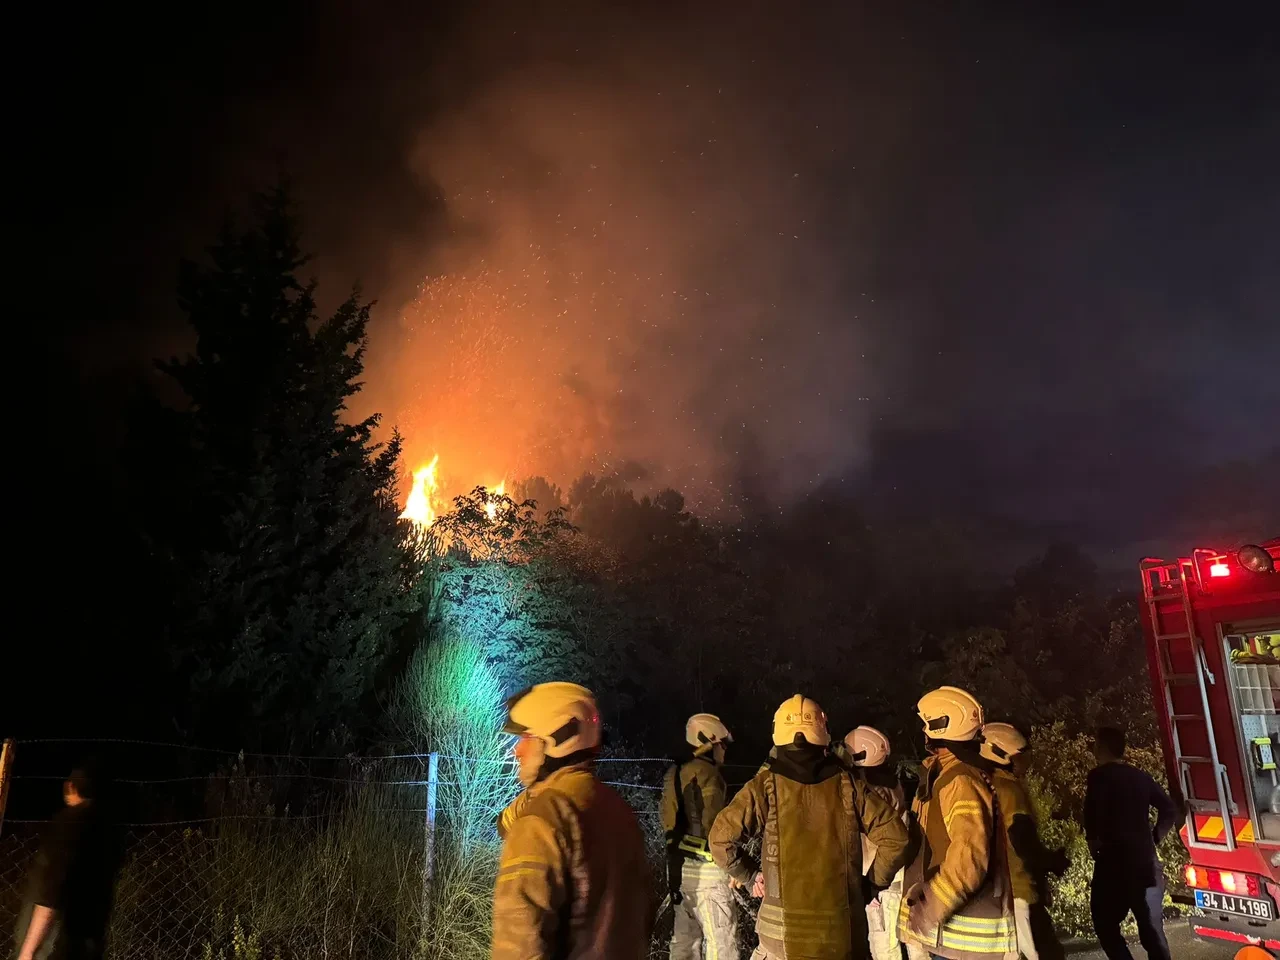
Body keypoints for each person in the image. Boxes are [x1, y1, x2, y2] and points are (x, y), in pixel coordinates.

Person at [709, 694, 911, 959]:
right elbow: (896, 838)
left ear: (778, 733)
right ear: (822, 733)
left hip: (779, 942)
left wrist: (750, 875)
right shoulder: (849, 786)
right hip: (842, 938)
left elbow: (720, 840)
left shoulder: (764, 787)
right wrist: (870, 885)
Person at [491, 682, 654, 960]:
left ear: (556, 739)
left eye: (525, 738)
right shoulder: (618, 811)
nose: (517, 751)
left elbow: (519, 946)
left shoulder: (542, 820)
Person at [899, 686, 1018, 960]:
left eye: (926, 723)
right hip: (951, 937)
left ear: (940, 726)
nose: (923, 731)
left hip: (965, 939)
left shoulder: (960, 781)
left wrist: (932, 906)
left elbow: (969, 857)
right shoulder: (948, 775)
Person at [1083, 726, 1177, 960]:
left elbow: (1092, 817)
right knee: (1152, 931)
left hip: (1113, 865)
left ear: (1101, 748)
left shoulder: (1098, 777)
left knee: (1105, 924)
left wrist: (1094, 842)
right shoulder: (1140, 777)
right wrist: (1154, 837)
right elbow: (1168, 808)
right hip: (1145, 863)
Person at [15, 764, 123, 960]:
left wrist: (29, 950)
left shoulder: (69, 824)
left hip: (54, 947)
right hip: (89, 944)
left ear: (71, 787)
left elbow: (51, 893)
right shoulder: (107, 830)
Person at [979, 723, 1067, 960]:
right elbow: (1023, 842)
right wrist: (1053, 861)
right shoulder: (1009, 791)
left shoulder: (984, 785)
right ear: (1001, 755)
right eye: (1021, 754)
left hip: (998, 894)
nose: (1026, 761)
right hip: (1021, 889)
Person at [663, 713, 737, 960]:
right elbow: (718, 830)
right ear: (708, 741)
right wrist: (736, 867)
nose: (724, 750)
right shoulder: (710, 775)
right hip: (710, 872)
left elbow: (669, 825)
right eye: (722, 744)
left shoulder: (674, 773)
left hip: (680, 872)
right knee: (722, 946)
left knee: (684, 945)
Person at [840, 726, 909, 960]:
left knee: (884, 947)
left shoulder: (872, 792)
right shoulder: (893, 786)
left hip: (880, 882)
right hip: (894, 878)